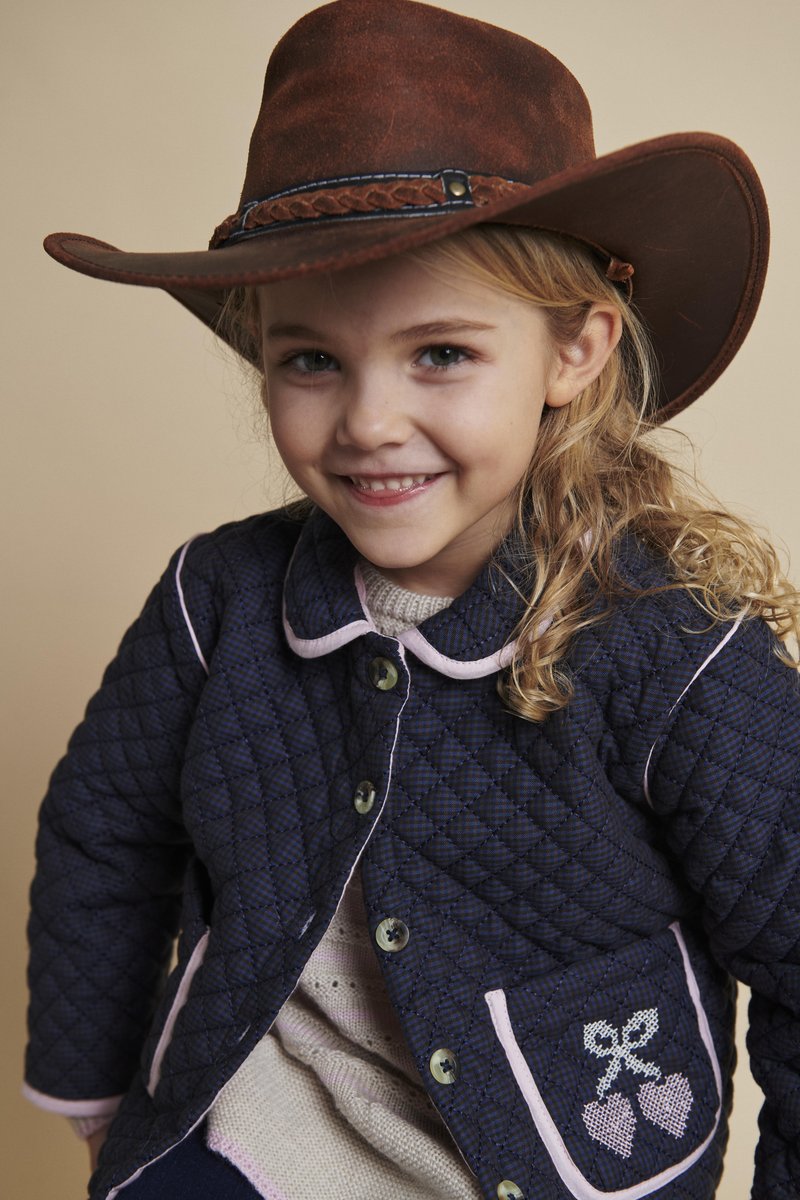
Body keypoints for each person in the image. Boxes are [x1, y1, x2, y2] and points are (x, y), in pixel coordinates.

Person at [23, 1, 800, 1197]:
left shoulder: (677, 649)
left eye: (440, 353)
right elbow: (105, 832)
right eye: (310, 360)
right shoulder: (214, 598)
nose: (369, 422)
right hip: (253, 1129)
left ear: (574, 350)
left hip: (557, 1161)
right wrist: (93, 1088)